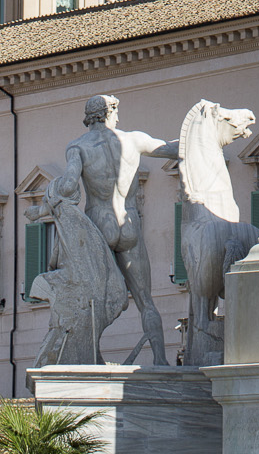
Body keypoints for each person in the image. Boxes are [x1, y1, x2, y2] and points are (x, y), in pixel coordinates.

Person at [55, 92, 179, 365]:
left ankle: (91, 355)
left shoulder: (77, 147)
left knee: (92, 300)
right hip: (129, 222)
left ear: (90, 118)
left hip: (100, 223)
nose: (119, 117)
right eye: (116, 112)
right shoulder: (133, 140)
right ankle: (160, 360)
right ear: (109, 113)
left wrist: (52, 196)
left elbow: (68, 186)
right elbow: (172, 149)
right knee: (146, 299)